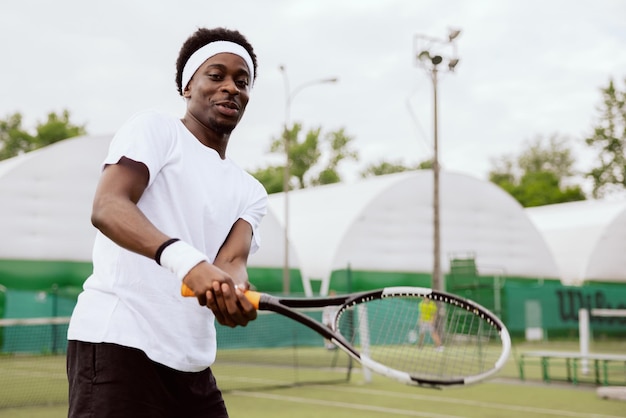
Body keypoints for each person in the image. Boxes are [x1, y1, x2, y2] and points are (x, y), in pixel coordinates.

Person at [66, 27, 267, 418]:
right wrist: (189, 264)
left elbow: (231, 261)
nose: (232, 88)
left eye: (242, 82)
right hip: (118, 345)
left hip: (192, 366)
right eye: (217, 75)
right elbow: (108, 206)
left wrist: (234, 290)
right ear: (187, 86)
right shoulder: (156, 130)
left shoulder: (251, 190)